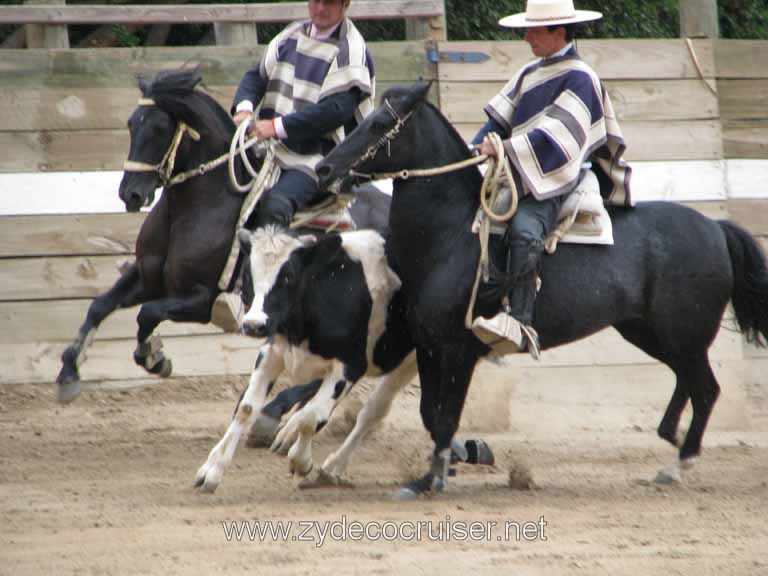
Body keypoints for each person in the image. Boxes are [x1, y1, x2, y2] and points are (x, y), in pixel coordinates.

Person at [471, 0, 632, 359]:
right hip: (518, 174)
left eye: (534, 30)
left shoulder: (581, 76)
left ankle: (521, 321)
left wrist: (504, 150)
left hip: (557, 178)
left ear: (559, 31)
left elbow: (560, 137)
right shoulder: (530, 73)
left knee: (527, 230)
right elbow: (498, 122)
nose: (527, 36)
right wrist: (472, 147)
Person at [231, 0, 375, 228]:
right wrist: (244, 108)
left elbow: (335, 111)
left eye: (328, 2)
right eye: (315, 1)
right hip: (268, 147)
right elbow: (256, 75)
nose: (320, 8)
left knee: (274, 207)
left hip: (319, 159)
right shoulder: (290, 34)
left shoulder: (352, 49)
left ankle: (272, 262)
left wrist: (275, 127)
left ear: (345, 4)